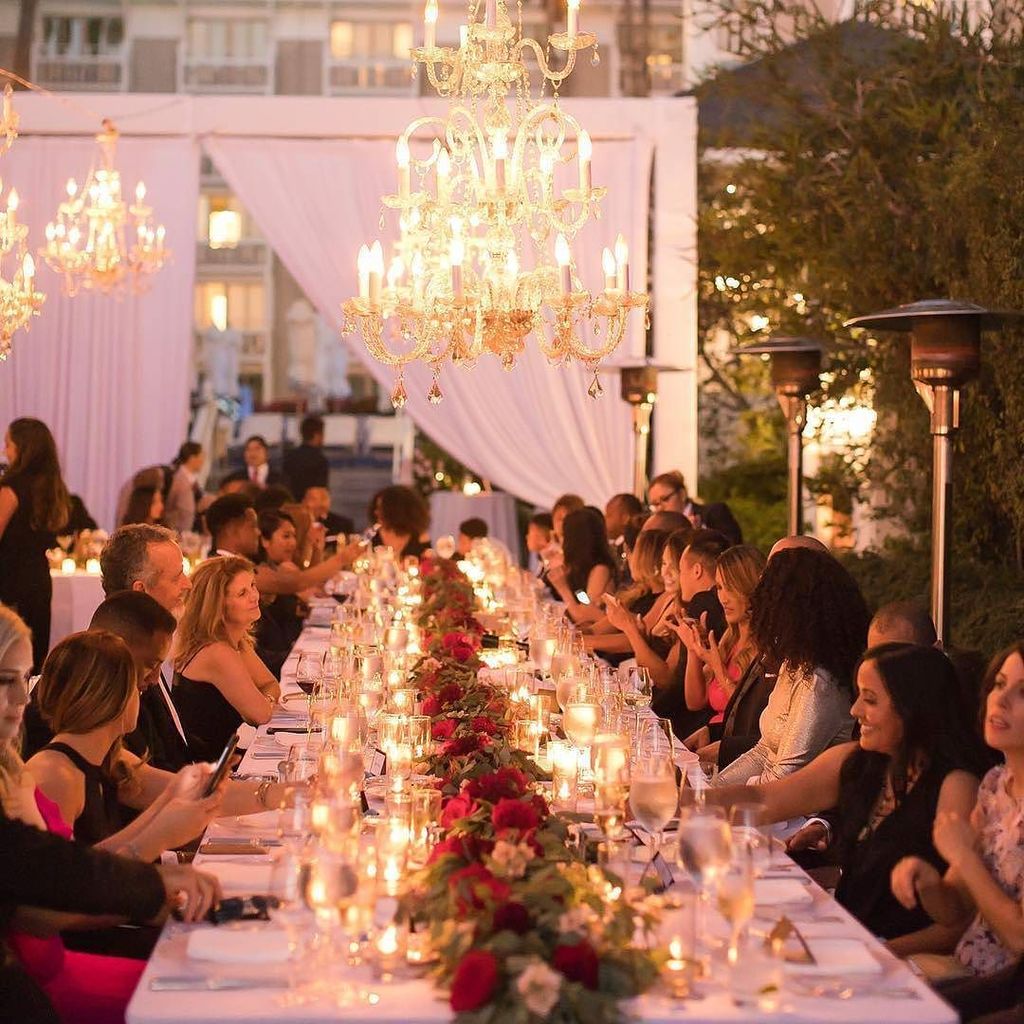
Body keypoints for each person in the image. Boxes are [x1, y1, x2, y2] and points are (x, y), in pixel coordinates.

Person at [710, 644, 988, 954]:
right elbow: (761, 799)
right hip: (846, 940)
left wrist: (878, 953)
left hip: (902, 963)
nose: (855, 710)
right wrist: (685, 802)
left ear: (913, 708)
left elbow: (956, 922)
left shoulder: (956, 786)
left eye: (869, 699)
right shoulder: (858, 762)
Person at [891, 643, 1024, 985]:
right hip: (965, 968)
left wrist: (964, 856)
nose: (1001, 699)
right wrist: (928, 881)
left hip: (1004, 990)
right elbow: (954, 909)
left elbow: (1020, 939)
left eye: (1022, 692)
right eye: (999, 684)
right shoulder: (996, 785)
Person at [26, 631, 228, 855]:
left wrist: (171, 798)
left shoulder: (107, 757)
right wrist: (162, 833)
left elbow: (97, 857)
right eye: (135, 686)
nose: (141, 694)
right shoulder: (55, 776)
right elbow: (66, 880)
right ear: (109, 696)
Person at [715, 546, 870, 784]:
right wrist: (712, 789)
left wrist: (715, 798)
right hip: (765, 801)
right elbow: (762, 751)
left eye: (771, 603)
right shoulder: (794, 662)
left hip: (795, 814)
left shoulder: (820, 681)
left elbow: (784, 776)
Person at [172, 556, 281, 762]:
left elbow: (270, 684)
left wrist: (264, 701)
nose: (254, 596)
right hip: (211, 770)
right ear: (218, 608)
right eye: (242, 593)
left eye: (252, 586)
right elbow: (261, 715)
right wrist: (262, 705)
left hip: (227, 756)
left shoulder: (235, 641)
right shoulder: (217, 651)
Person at [90, 592, 192, 774]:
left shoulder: (136, 697)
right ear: (115, 651)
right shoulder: (86, 731)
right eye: (150, 665)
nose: (155, 679)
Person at [677, 543, 766, 746]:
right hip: (710, 738)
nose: (723, 598)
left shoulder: (764, 645)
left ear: (749, 587)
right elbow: (695, 701)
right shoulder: (730, 637)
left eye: (730, 587)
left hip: (731, 749)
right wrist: (693, 648)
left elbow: (748, 715)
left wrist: (718, 667)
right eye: (719, 587)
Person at [0, 418, 71, 671]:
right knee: (32, 650)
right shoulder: (52, 488)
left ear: (22, 448)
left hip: (9, 578)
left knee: (7, 649)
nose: (5, 451)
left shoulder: (12, 488)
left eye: (8, 444)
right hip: (38, 578)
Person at [546, 507, 617, 624]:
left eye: (564, 536)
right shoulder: (581, 568)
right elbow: (581, 598)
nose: (562, 543)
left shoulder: (600, 569)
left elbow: (585, 616)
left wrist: (563, 588)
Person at [376, 484, 431, 559]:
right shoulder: (373, 537)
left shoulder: (420, 537)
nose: (376, 512)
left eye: (381, 508)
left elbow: (428, 565)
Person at [283, 414, 329, 503]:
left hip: (292, 506)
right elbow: (321, 492)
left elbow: (285, 486)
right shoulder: (320, 460)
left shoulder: (289, 457)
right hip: (311, 508)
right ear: (317, 435)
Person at [163, 442, 206, 535]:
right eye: (201, 456)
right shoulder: (179, 479)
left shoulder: (190, 480)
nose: (203, 460)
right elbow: (184, 511)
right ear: (192, 458)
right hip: (176, 532)